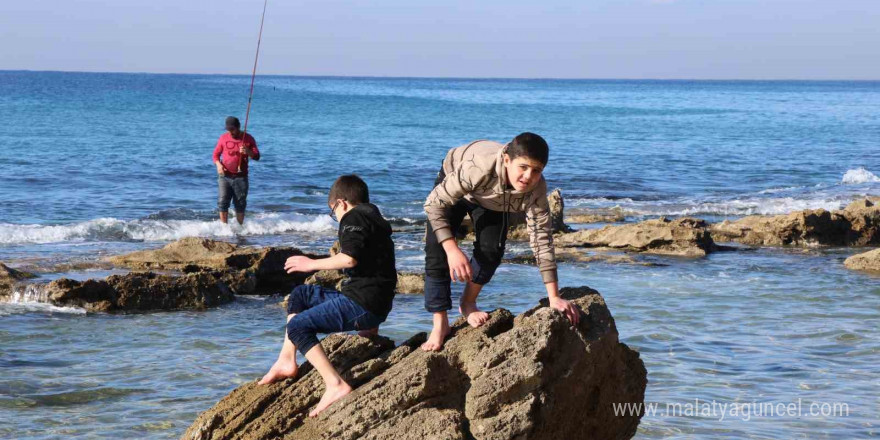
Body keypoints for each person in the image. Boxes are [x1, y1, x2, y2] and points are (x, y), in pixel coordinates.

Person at [420, 133, 581, 352]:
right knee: (437, 249)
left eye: (536, 170)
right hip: (459, 182)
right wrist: (452, 248)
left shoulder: (536, 189)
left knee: (492, 250)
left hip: (494, 199)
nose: (528, 176)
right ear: (507, 160)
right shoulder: (478, 168)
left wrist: (554, 297)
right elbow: (433, 204)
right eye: (523, 167)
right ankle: (440, 324)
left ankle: (468, 303)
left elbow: (542, 238)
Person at [259, 175, 397, 418]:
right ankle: (286, 360)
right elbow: (374, 267)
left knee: (298, 328)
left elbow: (349, 258)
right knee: (301, 294)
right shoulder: (375, 218)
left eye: (334, 212)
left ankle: (335, 385)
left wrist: (311, 264)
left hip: (362, 304)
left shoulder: (353, 217)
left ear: (341, 203)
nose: (336, 218)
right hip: (374, 303)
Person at [213, 116, 260, 225]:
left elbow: (257, 156)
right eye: (228, 129)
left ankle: (239, 229)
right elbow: (215, 155)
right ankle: (224, 229)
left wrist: (248, 151)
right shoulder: (223, 138)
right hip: (225, 176)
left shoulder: (248, 138)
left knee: (240, 204)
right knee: (222, 202)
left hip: (241, 177)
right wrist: (218, 165)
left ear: (238, 127)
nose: (231, 132)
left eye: (232, 129)